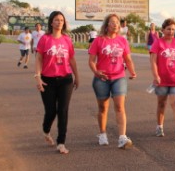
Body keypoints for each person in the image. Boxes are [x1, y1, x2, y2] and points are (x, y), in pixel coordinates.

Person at [88, 14, 137, 149]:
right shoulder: (99, 41)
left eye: (117, 22)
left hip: (119, 77)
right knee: (103, 108)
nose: (115, 24)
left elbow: (127, 59)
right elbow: (91, 61)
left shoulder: (122, 41)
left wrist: (132, 71)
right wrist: (96, 72)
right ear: (107, 25)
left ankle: (122, 137)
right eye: (112, 22)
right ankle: (102, 133)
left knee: (120, 106)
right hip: (102, 78)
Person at [34, 11, 80, 154]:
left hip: (65, 79)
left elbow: (71, 59)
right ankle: (46, 130)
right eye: (56, 20)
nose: (59, 22)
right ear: (51, 22)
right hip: (48, 80)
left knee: (63, 110)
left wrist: (77, 76)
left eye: (61, 20)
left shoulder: (67, 39)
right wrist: (38, 77)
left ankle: (61, 142)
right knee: (51, 111)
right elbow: (39, 58)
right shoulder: (45, 39)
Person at [150, 18, 175, 140]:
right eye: (168, 29)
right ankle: (159, 126)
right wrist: (155, 75)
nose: (171, 31)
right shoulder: (158, 43)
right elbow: (153, 61)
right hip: (162, 79)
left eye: (173, 29)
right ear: (163, 30)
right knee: (162, 103)